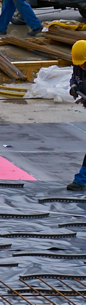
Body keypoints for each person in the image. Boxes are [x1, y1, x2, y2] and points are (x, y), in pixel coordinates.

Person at [68, 39, 86, 192]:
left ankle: (81, 179)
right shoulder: (78, 63)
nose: (82, 66)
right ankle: (81, 179)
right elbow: (74, 77)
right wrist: (73, 86)